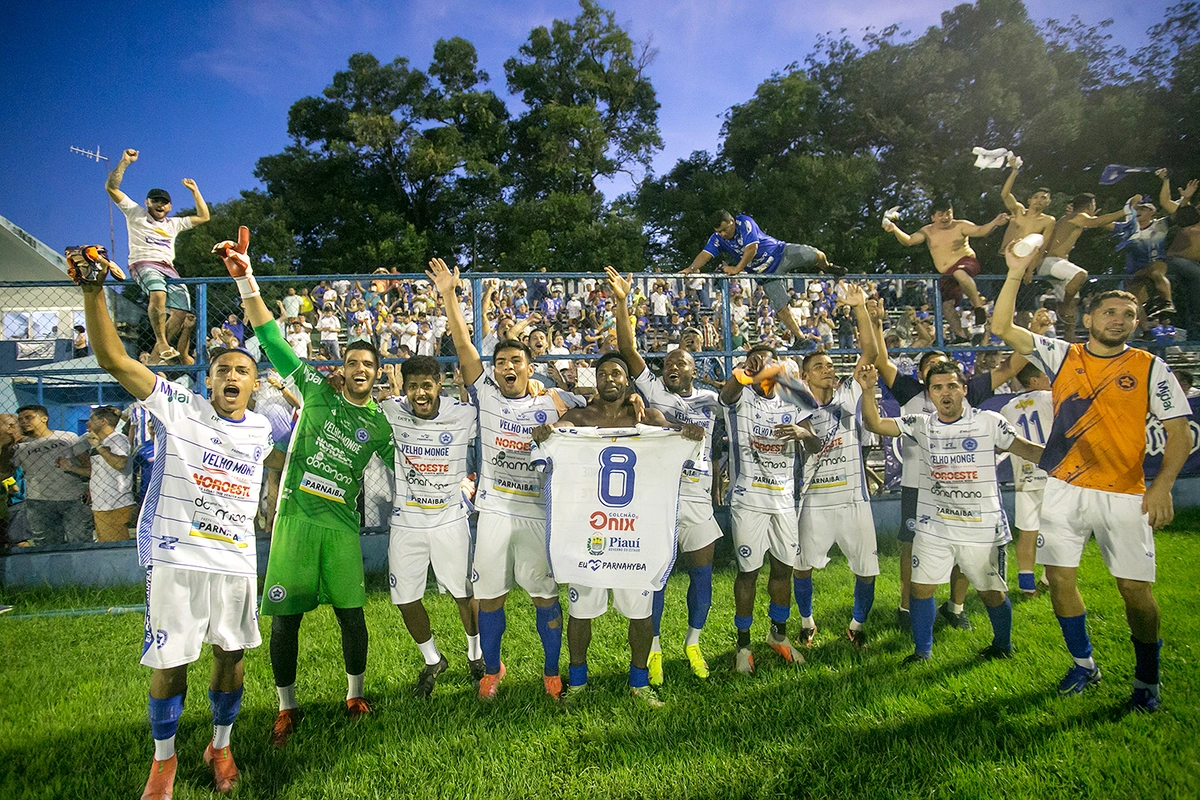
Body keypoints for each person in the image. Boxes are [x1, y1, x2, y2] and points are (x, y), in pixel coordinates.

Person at [69, 247, 273, 799]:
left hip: (235, 561)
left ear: (255, 386)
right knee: (171, 661)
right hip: (176, 556)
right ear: (208, 382)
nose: (232, 376)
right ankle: (165, 762)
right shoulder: (178, 406)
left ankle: (221, 744)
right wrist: (93, 291)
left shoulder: (263, 430)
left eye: (242, 372)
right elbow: (114, 360)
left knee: (231, 659)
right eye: (223, 370)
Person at [214, 227, 396, 745]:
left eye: (369, 365)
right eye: (353, 363)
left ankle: (354, 693)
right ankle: (286, 706)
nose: (360, 369)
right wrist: (248, 278)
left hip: (341, 526)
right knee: (284, 621)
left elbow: (408, 456)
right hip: (294, 522)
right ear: (342, 370)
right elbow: (271, 339)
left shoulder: (381, 424)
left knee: (352, 616)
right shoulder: (314, 391)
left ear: (378, 375)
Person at [992, 242, 1192, 713]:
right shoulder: (1063, 357)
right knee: (1060, 580)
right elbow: (1002, 327)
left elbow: (1179, 433)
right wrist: (1018, 272)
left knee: (1135, 591)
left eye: (1128, 313)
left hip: (1125, 492)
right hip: (1063, 487)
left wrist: (1161, 485)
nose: (1118, 319)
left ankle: (1148, 680)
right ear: (1088, 320)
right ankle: (1084, 664)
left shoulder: (1149, 368)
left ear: (1137, 323)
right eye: (1109, 311)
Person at [428, 257, 585, 702]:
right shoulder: (486, 394)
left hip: (538, 513)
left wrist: (566, 422)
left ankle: (551, 671)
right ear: (494, 370)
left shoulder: (555, 401)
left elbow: (593, 418)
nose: (507, 367)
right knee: (491, 597)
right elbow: (462, 345)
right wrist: (448, 296)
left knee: (544, 598)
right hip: (495, 510)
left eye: (517, 360)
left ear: (529, 367)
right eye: (501, 362)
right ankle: (492, 671)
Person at [532, 353, 698, 707]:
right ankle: (577, 683)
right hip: (586, 529)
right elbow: (548, 449)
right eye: (603, 373)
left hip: (633, 532)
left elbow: (679, 447)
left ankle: (638, 683)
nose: (610, 378)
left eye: (617, 373)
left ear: (628, 381)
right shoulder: (576, 418)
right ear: (596, 379)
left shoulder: (649, 417)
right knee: (580, 613)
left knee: (640, 613)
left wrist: (688, 435)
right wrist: (546, 436)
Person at [858, 360, 1044, 664]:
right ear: (930, 394)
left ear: (964, 390)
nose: (946, 393)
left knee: (990, 593)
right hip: (934, 525)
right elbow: (875, 425)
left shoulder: (989, 421)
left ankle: (1003, 645)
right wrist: (868, 390)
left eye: (952, 386)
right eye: (938, 388)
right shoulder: (921, 424)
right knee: (921, 588)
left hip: (981, 527)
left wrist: (1071, 460)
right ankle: (922, 651)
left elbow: (1030, 450)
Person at [870, 313, 1024, 631]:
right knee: (910, 547)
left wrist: (1032, 336)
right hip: (918, 488)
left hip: (965, 493)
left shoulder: (967, 392)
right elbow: (881, 360)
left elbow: (1009, 367)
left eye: (944, 367)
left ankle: (956, 607)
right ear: (923, 375)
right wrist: (874, 323)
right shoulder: (909, 390)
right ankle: (907, 606)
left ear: (960, 382)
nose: (938, 373)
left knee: (965, 552)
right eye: (931, 368)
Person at [607, 268, 723, 683]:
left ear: (694, 370)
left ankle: (693, 642)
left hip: (697, 497)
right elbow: (627, 347)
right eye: (669, 361)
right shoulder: (654, 390)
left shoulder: (712, 399)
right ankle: (653, 649)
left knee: (702, 573)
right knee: (655, 575)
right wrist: (623, 301)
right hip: (659, 498)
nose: (673, 365)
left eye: (682, 362)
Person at [379, 354, 483, 697]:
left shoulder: (462, 413)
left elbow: (495, 410)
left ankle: (475, 656)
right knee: (405, 599)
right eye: (412, 387)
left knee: (462, 592)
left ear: (440, 384)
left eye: (427, 385)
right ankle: (433, 660)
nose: (420, 393)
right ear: (404, 389)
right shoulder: (392, 411)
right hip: (406, 522)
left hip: (450, 520)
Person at [721, 346, 821, 674]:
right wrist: (746, 373)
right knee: (748, 572)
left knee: (783, 571)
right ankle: (743, 644)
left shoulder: (792, 401)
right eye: (757, 361)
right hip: (749, 500)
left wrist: (803, 432)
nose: (764, 366)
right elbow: (728, 391)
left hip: (783, 500)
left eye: (769, 361)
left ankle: (778, 635)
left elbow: (815, 443)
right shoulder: (741, 397)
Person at [791, 284, 879, 648]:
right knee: (802, 566)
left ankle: (857, 625)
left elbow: (870, 352)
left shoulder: (847, 395)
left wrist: (860, 309)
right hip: (814, 500)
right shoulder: (795, 405)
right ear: (805, 376)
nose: (827, 370)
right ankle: (807, 621)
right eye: (818, 366)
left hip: (854, 499)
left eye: (829, 365)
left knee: (867, 570)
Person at [105, 148, 210, 363]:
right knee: (159, 294)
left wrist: (195, 191)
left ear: (170, 206)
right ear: (147, 202)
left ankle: (153, 361)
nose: (160, 205)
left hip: (168, 268)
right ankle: (162, 341)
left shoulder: (174, 223)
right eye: (156, 201)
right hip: (143, 263)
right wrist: (124, 162)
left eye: (164, 202)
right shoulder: (135, 213)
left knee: (181, 313)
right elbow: (111, 187)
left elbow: (204, 216)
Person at [683, 211, 845, 347]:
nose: (722, 234)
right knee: (781, 308)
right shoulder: (718, 238)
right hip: (764, 273)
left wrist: (737, 269)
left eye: (724, 230)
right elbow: (705, 253)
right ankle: (800, 338)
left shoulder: (744, 223)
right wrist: (691, 269)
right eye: (719, 231)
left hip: (780, 254)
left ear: (732, 221)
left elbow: (751, 249)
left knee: (815, 254)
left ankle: (828, 266)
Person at [882, 199, 1009, 342]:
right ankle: (961, 336)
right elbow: (909, 240)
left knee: (959, 273)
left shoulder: (960, 225)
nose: (945, 218)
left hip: (966, 262)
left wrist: (994, 223)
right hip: (947, 272)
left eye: (948, 213)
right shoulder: (927, 231)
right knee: (946, 305)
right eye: (941, 214)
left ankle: (978, 307)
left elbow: (980, 231)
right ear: (933, 217)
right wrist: (894, 229)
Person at [1039, 193, 1129, 338]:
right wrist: (1125, 210)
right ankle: (1063, 305)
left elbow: (1103, 223)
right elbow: (1096, 222)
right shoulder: (1078, 216)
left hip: (1059, 264)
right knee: (1080, 275)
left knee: (1074, 302)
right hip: (1050, 262)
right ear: (1089, 205)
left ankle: (1070, 336)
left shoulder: (1075, 218)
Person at [999, 363, 1054, 596]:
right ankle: (1049, 579)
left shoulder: (1007, 408)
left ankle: (1026, 583)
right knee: (1057, 529)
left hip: (1025, 475)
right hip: (1054, 474)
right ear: (1034, 381)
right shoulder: (1051, 398)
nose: (1048, 380)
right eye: (1044, 376)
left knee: (1027, 530)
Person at [0, 405, 91, 545]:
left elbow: (88, 466)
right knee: (46, 545)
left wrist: (90, 487)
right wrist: (6, 447)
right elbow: (4, 473)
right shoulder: (20, 447)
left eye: (28, 417)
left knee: (80, 542)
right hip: (38, 502)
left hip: (73, 499)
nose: (23, 422)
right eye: (20, 420)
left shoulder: (68, 437)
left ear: (44, 418)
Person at [56, 406, 134, 543]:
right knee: (105, 544)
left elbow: (120, 463)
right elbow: (96, 472)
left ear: (103, 421)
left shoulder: (118, 439)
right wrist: (71, 467)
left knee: (114, 549)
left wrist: (99, 447)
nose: (87, 423)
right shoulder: (98, 443)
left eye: (91, 419)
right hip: (100, 505)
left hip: (115, 504)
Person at [1164, 204, 1200, 338]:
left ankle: (1194, 332)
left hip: (1187, 268)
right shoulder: (1189, 229)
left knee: (1192, 298)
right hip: (1177, 263)